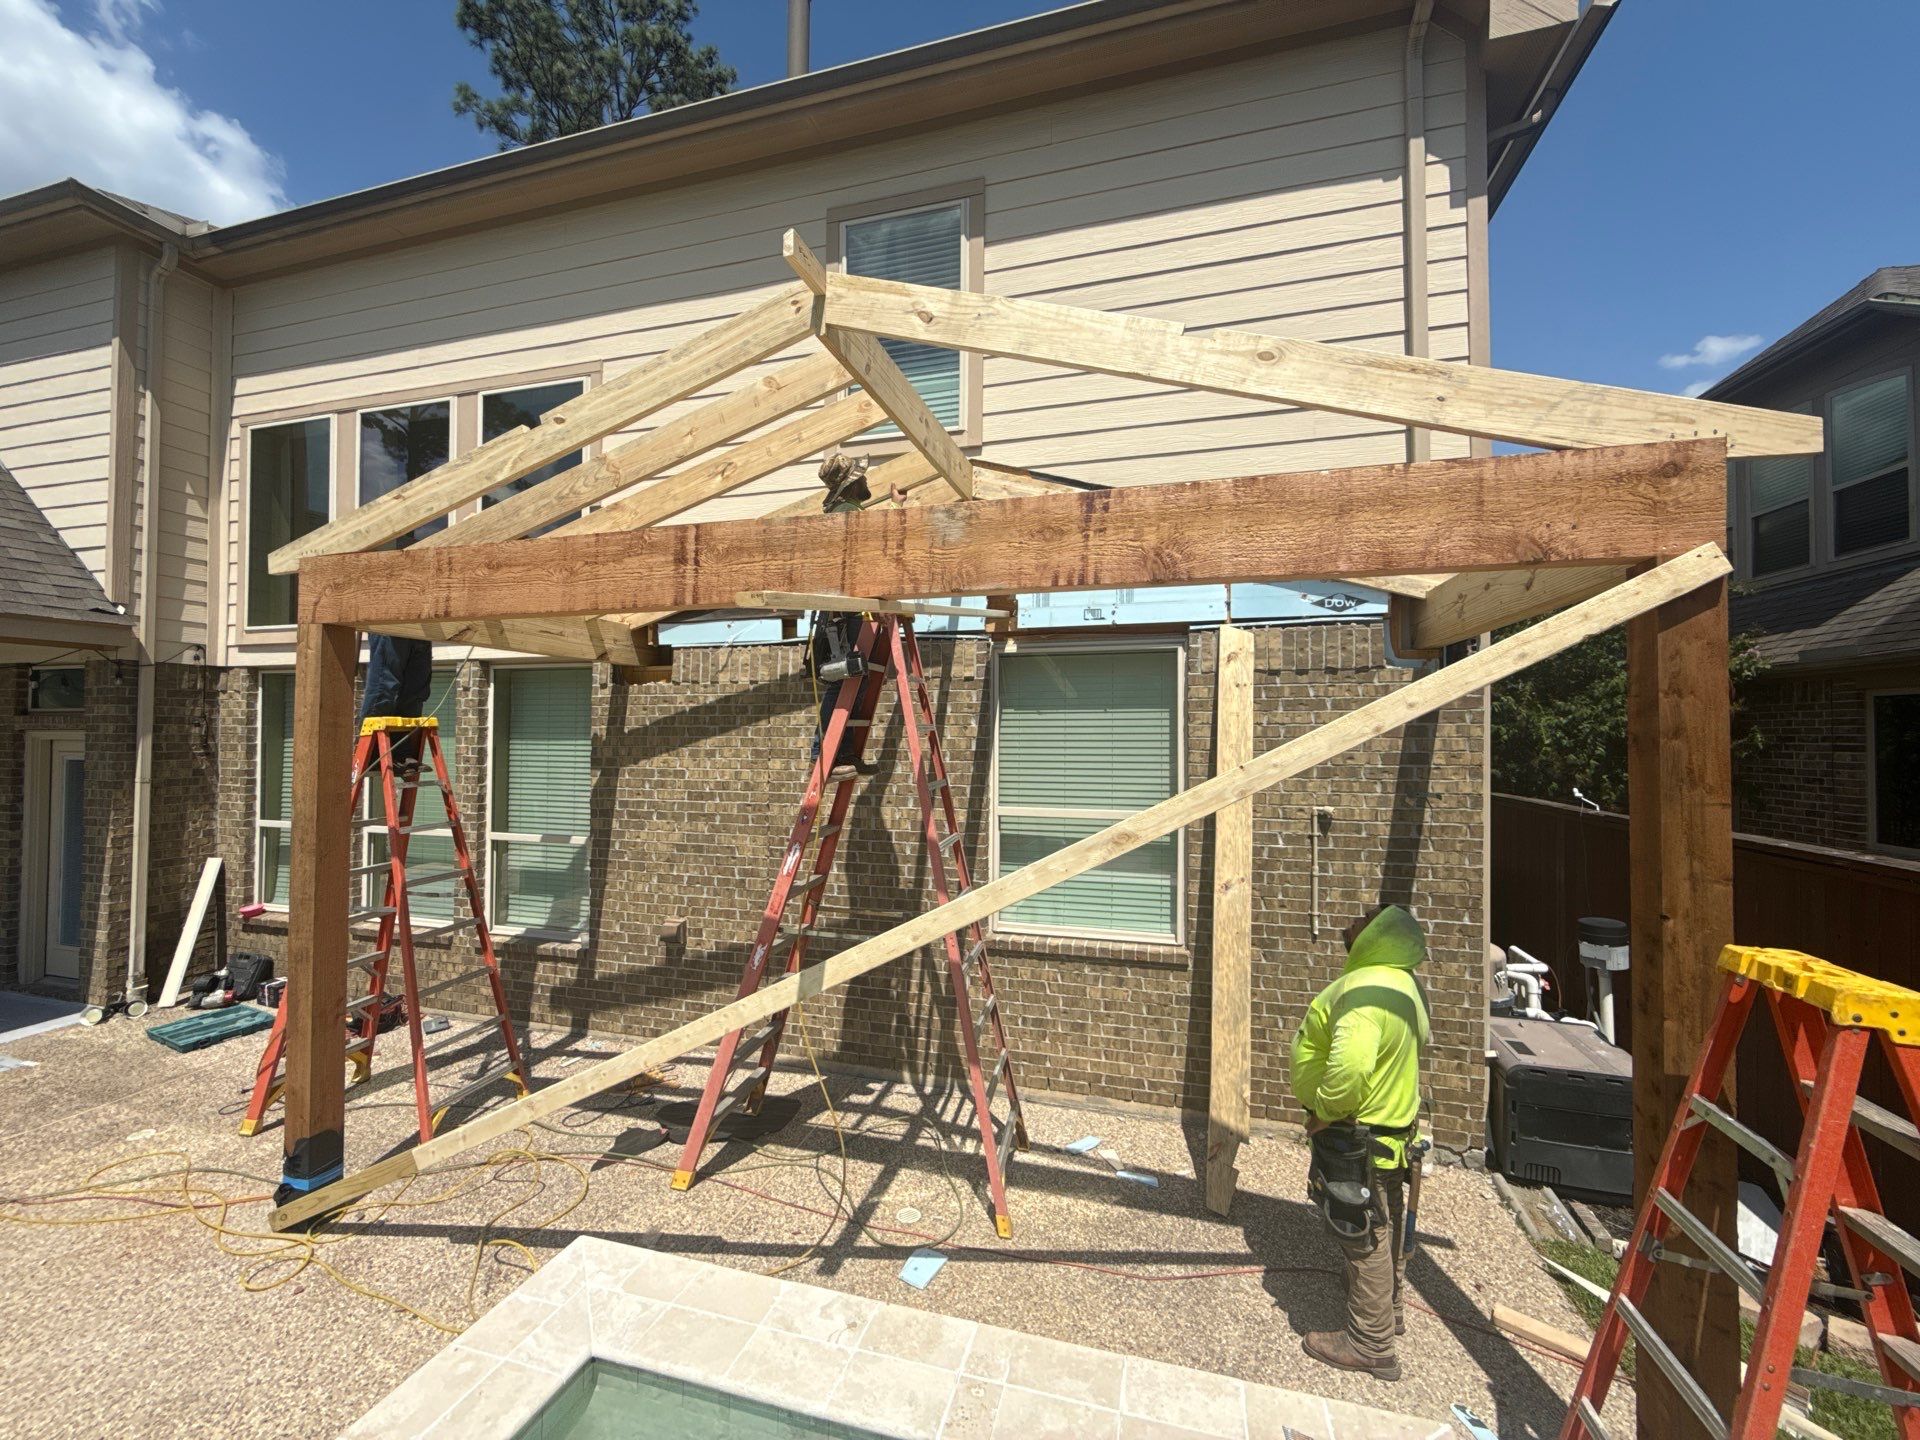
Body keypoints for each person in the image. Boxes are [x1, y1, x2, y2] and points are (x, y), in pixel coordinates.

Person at [1291, 903, 1431, 1382]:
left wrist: (1323, 1114)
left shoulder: (1366, 993)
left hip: (1359, 1133)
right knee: (1384, 1220)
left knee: (1362, 1233)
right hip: (1392, 1133)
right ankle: (1387, 1310)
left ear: (1375, 933)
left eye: (1359, 919)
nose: (1347, 923)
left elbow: (1350, 1068)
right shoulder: (1404, 984)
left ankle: (1371, 1343)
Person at [808, 454, 877, 774]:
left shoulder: (843, 511)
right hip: (844, 613)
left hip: (843, 610)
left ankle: (842, 752)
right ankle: (823, 755)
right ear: (851, 484)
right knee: (842, 680)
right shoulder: (848, 512)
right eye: (861, 477)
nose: (866, 480)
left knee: (853, 680)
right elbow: (878, 545)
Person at [357, 633, 434, 768]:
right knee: (383, 688)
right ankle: (372, 753)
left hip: (421, 629)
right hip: (390, 628)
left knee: (414, 693)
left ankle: (402, 753)